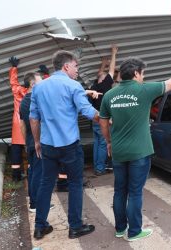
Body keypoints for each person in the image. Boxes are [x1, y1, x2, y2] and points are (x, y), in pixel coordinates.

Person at [99, 58, 171, 241]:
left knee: (120, 190)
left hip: (119, 152)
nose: (143, 77)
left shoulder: (109, 95)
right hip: (139, 152)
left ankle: (120, 229)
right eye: (143, 73)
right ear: (136, 73)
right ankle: (134, 231)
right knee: (135, 191)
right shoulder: (144, 90)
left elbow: (103, 121)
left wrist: (108, 141)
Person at [30, 50, 99, 239]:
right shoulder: (73, 85)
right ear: (66, 66)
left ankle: (40, 226)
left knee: (46, 183)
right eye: (76, 66)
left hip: (48, 145)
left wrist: (37, 141)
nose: (77, 70)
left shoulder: (38, 87)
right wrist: (106, 119)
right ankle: (75, 227)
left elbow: (33, 118)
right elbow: (87, 111)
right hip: (69, 146)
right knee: (75, 183)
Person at [90, 44, 118, 176]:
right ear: (104, 80)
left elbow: (99, 74)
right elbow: (111, 71)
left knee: (97, 143)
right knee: (103, 143)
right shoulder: (106, 85)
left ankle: (97, 165)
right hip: (103, 119)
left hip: (94, 119)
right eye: (106, 76)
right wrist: (114, 53)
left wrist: (103, 63)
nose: (109, 78)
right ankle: (100, 169)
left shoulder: (94, 86)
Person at [19, 72, 43, 212]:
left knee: (33, 171)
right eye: (40, 82)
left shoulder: (23, 102)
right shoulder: (35, 100)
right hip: (37, 141)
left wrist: (26, 143)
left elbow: (22, 125)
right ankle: (35, 204)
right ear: (33, 84)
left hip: (30, 141)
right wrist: (36, 141)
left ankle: (33, 200)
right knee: (38, 173)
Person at [8, 56, 29, 182]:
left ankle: (16, 176)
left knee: (16, 147)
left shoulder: (17, 90)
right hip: (28, 122)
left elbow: (13, 82)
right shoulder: (33, 93)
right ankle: (31, 172)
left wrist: (14, 67)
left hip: (17, 122)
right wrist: (47, 74)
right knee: (30, 147)